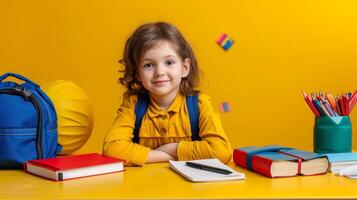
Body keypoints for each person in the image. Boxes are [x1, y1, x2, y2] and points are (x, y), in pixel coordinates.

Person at [103, 22, 231, 166]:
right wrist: (164, 155)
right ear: (137, 73)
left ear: (184, 67)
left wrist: (173, 148)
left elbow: (221, 152)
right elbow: (111, 149)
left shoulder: (199, 104)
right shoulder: (133, 104)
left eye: (169, 62)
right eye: (148, 65)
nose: (159, 72)